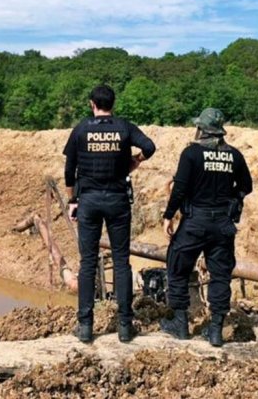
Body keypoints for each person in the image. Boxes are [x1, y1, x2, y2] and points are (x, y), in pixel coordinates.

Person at [64, 84, 156, 344]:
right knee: (121, 261)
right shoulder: (124, 127)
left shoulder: (81, 128)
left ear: (92, 104)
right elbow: (150, 147)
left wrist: (72, 200)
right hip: (117, 201)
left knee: (87, 262)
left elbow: (69, 170)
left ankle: (85, 326)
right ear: (113, 104)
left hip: (89, 201)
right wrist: (135, 161)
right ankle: (125, 326)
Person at [160, 107, 253, 347]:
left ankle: (180, 324)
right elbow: (247, 186)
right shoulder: (234, 155)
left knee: (177, 267)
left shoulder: (191, 153)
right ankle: (215, 332)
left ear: (201, 129)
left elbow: (179, 189)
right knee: (221, 275)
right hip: (222, 224)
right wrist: (231, 199)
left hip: (195, 222)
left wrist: (168, 216)